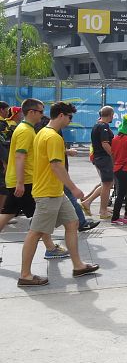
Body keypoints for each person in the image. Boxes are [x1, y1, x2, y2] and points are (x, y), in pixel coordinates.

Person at [18, 101, 99, 287]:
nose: (70, 120)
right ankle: (25, 275)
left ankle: (78, 266)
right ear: (61, 115)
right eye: (70, 117)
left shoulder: (43, 133)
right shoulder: (53, 137)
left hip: (55, 191)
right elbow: (56, 166)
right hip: (48, 193)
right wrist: (74, 188)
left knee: (72, 223)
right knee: (35, 232)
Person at [0, 98, 68, 261]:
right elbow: (20, 157)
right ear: (31, 112)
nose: (43, 115)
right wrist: (20, 183)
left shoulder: (26, 128)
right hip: (24, 181)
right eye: (40, 112)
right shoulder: (25, 131)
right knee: (40, 217)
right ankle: (50, 248)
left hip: (20, 180)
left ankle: (50, 248)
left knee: (9, 214)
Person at [82, 106, 115, 219]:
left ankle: (89, 202)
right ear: (110, 115)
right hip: (103, 158)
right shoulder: (103, 126)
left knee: (107, 184)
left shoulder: (98, 125)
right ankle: (102, 210)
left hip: (99, 157)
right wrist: (114, 156)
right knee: (107, 184)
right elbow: (105, 144)